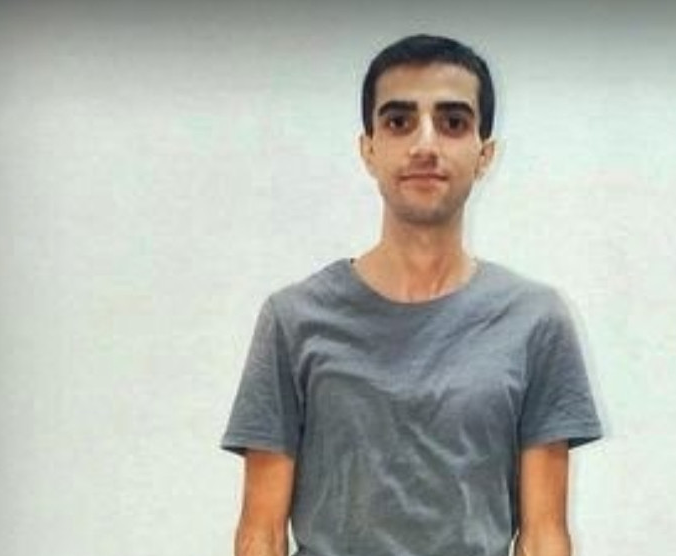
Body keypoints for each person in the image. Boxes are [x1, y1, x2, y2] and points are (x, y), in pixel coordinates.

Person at [221, 34, 602, 556]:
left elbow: (544, 535)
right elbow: (260, 534)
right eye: (399, 122)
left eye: (453, 122)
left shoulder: (536, 322)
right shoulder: (292, 320)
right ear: (369, 149)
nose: (425, 144)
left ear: (484, 154)